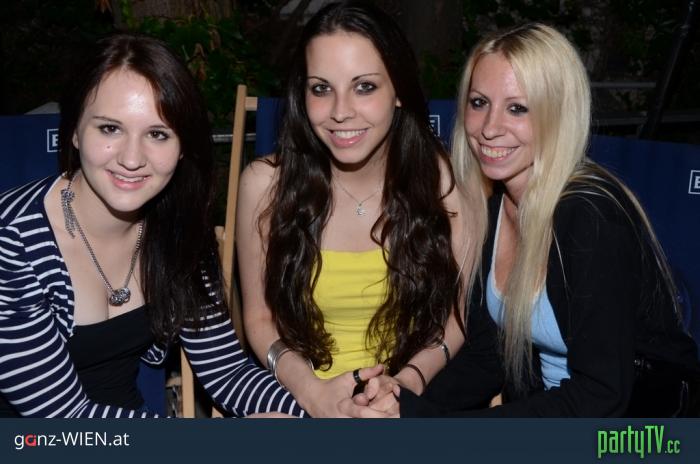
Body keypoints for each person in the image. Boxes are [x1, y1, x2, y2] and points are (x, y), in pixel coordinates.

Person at [351, 22, 700, 417]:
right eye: (479, 103)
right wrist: (405, 404)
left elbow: (602, 394)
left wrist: (432, 427)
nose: (490, 128)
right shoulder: (495, 208)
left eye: (517, 108)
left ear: (556, 115)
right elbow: (488, 355)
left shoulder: (590, 218)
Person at [0, 33, 305, 418]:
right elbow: (64, 419)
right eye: (110, 129)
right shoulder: (12, 243)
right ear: (75, 130)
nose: (132, 159)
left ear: (182, 148)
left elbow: (226, 372)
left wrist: (320, 406)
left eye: (158, 134)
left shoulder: (178, 231)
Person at [237, 1, 473, 417]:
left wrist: (406, 385)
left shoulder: (441, 180)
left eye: (364, 87)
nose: (341, 111)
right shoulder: (265, 185)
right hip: (296, 401)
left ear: (398, 91)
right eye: (321, 89)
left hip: (412, 401)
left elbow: (458, 317)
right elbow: (258, 319)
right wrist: (312, 393)